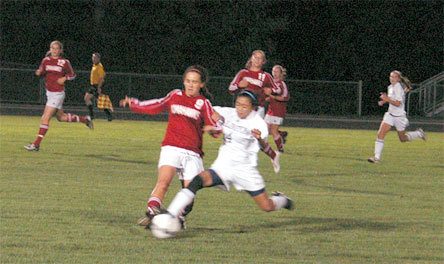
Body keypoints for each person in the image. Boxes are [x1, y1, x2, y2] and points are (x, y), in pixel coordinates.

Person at [164, 90, 294, 228]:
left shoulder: (259, 123)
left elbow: (264, 146)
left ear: (253, 107)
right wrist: (208, 119)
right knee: (196, 182)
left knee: (266, 206)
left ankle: (282, 200)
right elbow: (207, 110)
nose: (240, 109)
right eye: (238, 104)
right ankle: (172, 215)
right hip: (223, 167)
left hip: (245, 169)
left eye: (245, 106)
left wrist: (260, 139)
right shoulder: (227, 113)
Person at [119, 65, 219, 227]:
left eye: (194, 82)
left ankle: (175, 218)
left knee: (189, 197)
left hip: (193, 153)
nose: (190, 85)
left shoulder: (203, 103)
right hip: (171, 147)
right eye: (188, 81)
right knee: (163, 182)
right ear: (183, 81)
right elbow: (156, 105)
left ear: (201, 84)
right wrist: (134, 104)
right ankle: (152, 211)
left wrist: (213, 129)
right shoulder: (175, 95)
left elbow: (213, 124)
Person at [25, 40, 93, 151]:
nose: (55, 50)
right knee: (61, 117)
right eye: (53, 48)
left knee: (45, 118)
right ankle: (85, 119)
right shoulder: (45, 60)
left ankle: (36, 144)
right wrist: (39, 72)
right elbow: (42, 71)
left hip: (57, 94)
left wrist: (65, 78)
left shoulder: (64, 62)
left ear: (60, 50)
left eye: (57, 48)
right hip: (49, 93)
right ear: (50, 49)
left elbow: (73, 75)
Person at [228, 50, 281, 172]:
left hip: (257, 110)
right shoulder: (243, 73)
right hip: (241, 110)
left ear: (263, 62)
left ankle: (246, 167)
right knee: (241, 136)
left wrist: (271, 91)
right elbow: (231, 88)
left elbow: (277, 90)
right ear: (251, 58)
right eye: (255, 57)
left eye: (260, 58)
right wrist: (239, 86)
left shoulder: (265, 76)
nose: (257, 60)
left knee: (254, 138)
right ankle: (273, 155)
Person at [368, 70, 426, 163]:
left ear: (398, 79)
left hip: (399, 117)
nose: (392, 78)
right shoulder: (390, 87)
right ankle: (376, 158)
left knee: (402, 139)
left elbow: (398, 103)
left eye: (394, 77)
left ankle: (419, 133)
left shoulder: (398, 87)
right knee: (380, 134)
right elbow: (392, 99)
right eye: (390, 76)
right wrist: (384, 101)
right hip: (390, 114)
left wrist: (387, 99)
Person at [264, 64, 290, 153]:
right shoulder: (272, 83)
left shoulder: (282, 84)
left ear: (281, 73)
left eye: (276, 71)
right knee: (265, 129)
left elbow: (285, 98)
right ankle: (281, 134)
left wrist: (272, 96)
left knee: (274, 130)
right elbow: (270, 96)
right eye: (273, 71)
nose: (274, 73)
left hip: (278, 111)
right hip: (270, 110)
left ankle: (280, 148)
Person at [84, 52, 113, 121]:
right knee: (86, 98)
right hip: (92, 85)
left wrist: (99, 87)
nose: (93, 59)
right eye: (93, 57)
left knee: (100, 102)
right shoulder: (94, 65)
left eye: (95, 58)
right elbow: (104, 74)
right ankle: (92, 115)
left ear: (98, 59)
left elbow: (102, 78)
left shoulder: (99, 66)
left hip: (97, 85)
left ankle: (109, 116)